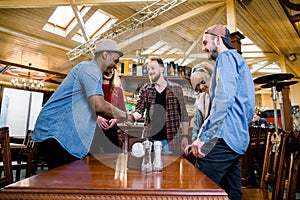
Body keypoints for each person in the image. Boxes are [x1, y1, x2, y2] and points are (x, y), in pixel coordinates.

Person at [32, 39, 134, 169]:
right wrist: (126, 116)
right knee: (64, 180)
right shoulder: (88, 69)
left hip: (64, 133)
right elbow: (99, 105)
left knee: (72, 178)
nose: (115, 65)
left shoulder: (94, 73)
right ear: (105, 54)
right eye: (115, 60)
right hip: (57, 131)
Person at [189, 25, 255, 200]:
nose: (203, 48)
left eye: (205, 42)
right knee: (231, 191)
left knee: (198, 189)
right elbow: (249, 110)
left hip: (223, 138)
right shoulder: (240, 61)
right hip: (237, 140)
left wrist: (204, 138)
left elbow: (222, 101)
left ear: (218, 39)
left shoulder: (225, 59)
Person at [127, 57, 190, 154]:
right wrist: (132, 117)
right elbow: (139, 110)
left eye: (153, 68)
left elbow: (184, 115)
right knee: (149, 166)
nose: (150, 72)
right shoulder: (145, 90)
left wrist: (185, 136)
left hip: (170, 141)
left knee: (169, 168)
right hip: (150, 140)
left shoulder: (176, 89)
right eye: (148, 69)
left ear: (162, 69)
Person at [92, 65, 127, 153]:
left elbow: (123, 113)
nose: (110, 71)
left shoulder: (118, 90)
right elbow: (85, 110)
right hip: (95, 130)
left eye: (112, 69)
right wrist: (96, 118)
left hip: (112, 131)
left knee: (112, 160)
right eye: (107, 68)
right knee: (94, 163)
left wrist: (116, 119)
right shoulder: (93, 89)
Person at [184, 62, 213, 163]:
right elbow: (197, 125)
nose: (201, 87)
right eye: (197, 85)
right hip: (205, 145)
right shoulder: (201, 99)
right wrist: (193, 143)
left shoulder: (219, 97)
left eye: (203, 82)